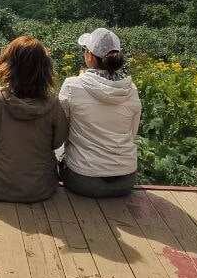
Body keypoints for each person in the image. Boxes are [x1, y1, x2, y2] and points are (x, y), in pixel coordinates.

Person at [0, 36, 68, 203]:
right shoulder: (53, 104)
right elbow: (58, 142)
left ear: (8, 65)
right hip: (41, 188)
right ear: (45, 68)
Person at [58, 28, 142, 198]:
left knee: (57, 151)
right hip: (125, 180)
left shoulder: (72, 85)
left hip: (83, 180)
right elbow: (132, 133)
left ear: (89, 56)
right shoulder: (131, 89)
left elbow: (60, 131)